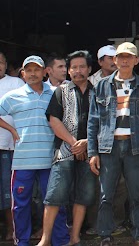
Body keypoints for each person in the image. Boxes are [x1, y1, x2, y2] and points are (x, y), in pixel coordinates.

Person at [88, 42, 139, 246]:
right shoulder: (101, 85)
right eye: (120, 57)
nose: (124, 60)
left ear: (136, 60)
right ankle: (105, 235)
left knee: (136, 195)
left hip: (135, 146)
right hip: (109, 147)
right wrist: (93, 151)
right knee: (106, 195)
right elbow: (93, 121)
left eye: (129, 57)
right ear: (114, 60)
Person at [0, 56, 69, 246]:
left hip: (51, 159)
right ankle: (22, 242)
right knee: (20, 205)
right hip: (23, 160)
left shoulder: (56, 93)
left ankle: (60, 240)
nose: (32, 74)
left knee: (55, 203)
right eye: (28, 70)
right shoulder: (13, 96)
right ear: (22, 73)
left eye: (36, 70)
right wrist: (12, 130)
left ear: (44, 72)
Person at [37, 51, 96, 246]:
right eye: (74, 67)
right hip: (64, 151)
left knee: (83, 195)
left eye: (82, 67)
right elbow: (54, 120)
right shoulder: (60, 91)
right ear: (69, 71)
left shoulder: (98, 92)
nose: (78, 71)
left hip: (90, 152)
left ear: (89, 69)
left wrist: (86, 142)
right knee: (55, 195)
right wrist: (74, 143)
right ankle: (45, 240)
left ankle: (74, 237)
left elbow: (104, 122)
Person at [0, 51, 23, 241]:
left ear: (6, 64)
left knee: (8, 190)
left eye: (0, 62)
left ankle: (11, 230)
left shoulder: (15, 83)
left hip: (8, 146)